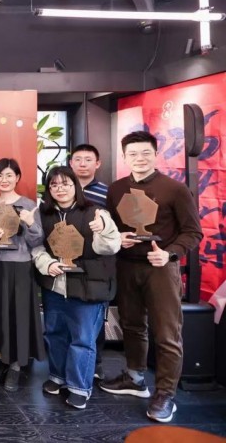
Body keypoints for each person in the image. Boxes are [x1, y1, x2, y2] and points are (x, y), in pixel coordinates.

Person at [99, 131, 203, 423]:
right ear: (124, 157)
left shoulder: (175, 189)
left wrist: (169, 254)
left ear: (156, 154)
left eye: (145, 152)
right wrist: (118, 238)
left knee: (167, 333)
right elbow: (111, 227)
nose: (139, 159)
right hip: (126, 265)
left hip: (161, 268)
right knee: (131, 325)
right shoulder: (116, 189)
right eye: (133, 154)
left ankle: (166, 394)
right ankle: (134, 378)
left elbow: (193, 232)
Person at [32, 166, 120, 409]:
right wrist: (47, 264)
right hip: (55, 285)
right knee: (55, 333)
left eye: (66, 183)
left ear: (76, 186)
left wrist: (104, 229)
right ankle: (58, 376)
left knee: (82, 338)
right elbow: (36, 246)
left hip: (88, 287)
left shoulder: (96, 212)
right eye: (54, 185)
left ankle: (80, 386)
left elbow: (110, 247)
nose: (60, 189)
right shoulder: (43, 214)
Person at [0, 158, 45, 392]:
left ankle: (16, 366)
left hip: (19, 266)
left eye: (9, 175)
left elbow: (37, 240)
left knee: (18, 315)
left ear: (17, 177)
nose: (4, 180)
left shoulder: (28, 204)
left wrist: (30, 223)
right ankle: (4, 360)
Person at [69, 143, 110, 380]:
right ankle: (68, 363)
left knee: (93, 315)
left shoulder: (107, 193)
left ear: (98, 163)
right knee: (68, 313)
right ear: (71, 163)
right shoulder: (62, 189)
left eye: (88, 159)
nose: (82, 164)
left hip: (95, 261)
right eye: (78, 159)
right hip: (65, 260)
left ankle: (95, 363)